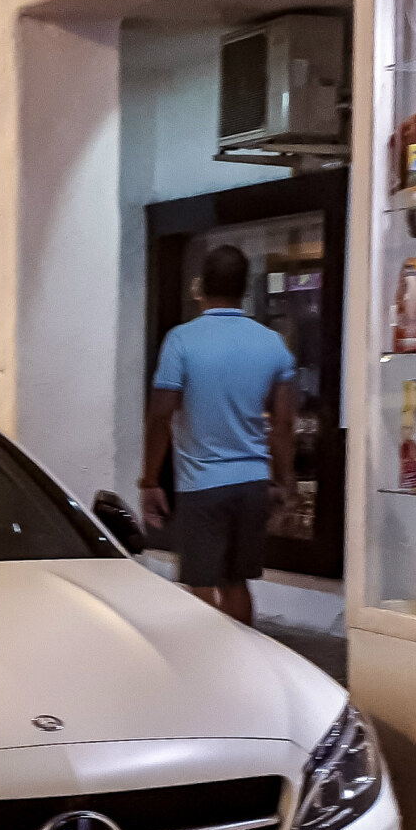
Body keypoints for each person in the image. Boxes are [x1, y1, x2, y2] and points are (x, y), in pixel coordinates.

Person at [140, 245, 297, 626]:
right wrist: (284, 481)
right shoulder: (272, 344)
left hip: (201, 486)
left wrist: (149, 480)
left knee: (201, 585)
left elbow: (160, 415)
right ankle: (244, 662)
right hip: (252, 485)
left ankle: (209, 668)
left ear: (201, 287)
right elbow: (283, 426)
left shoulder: (181, 340)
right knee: (236, 582)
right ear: (244, 289)